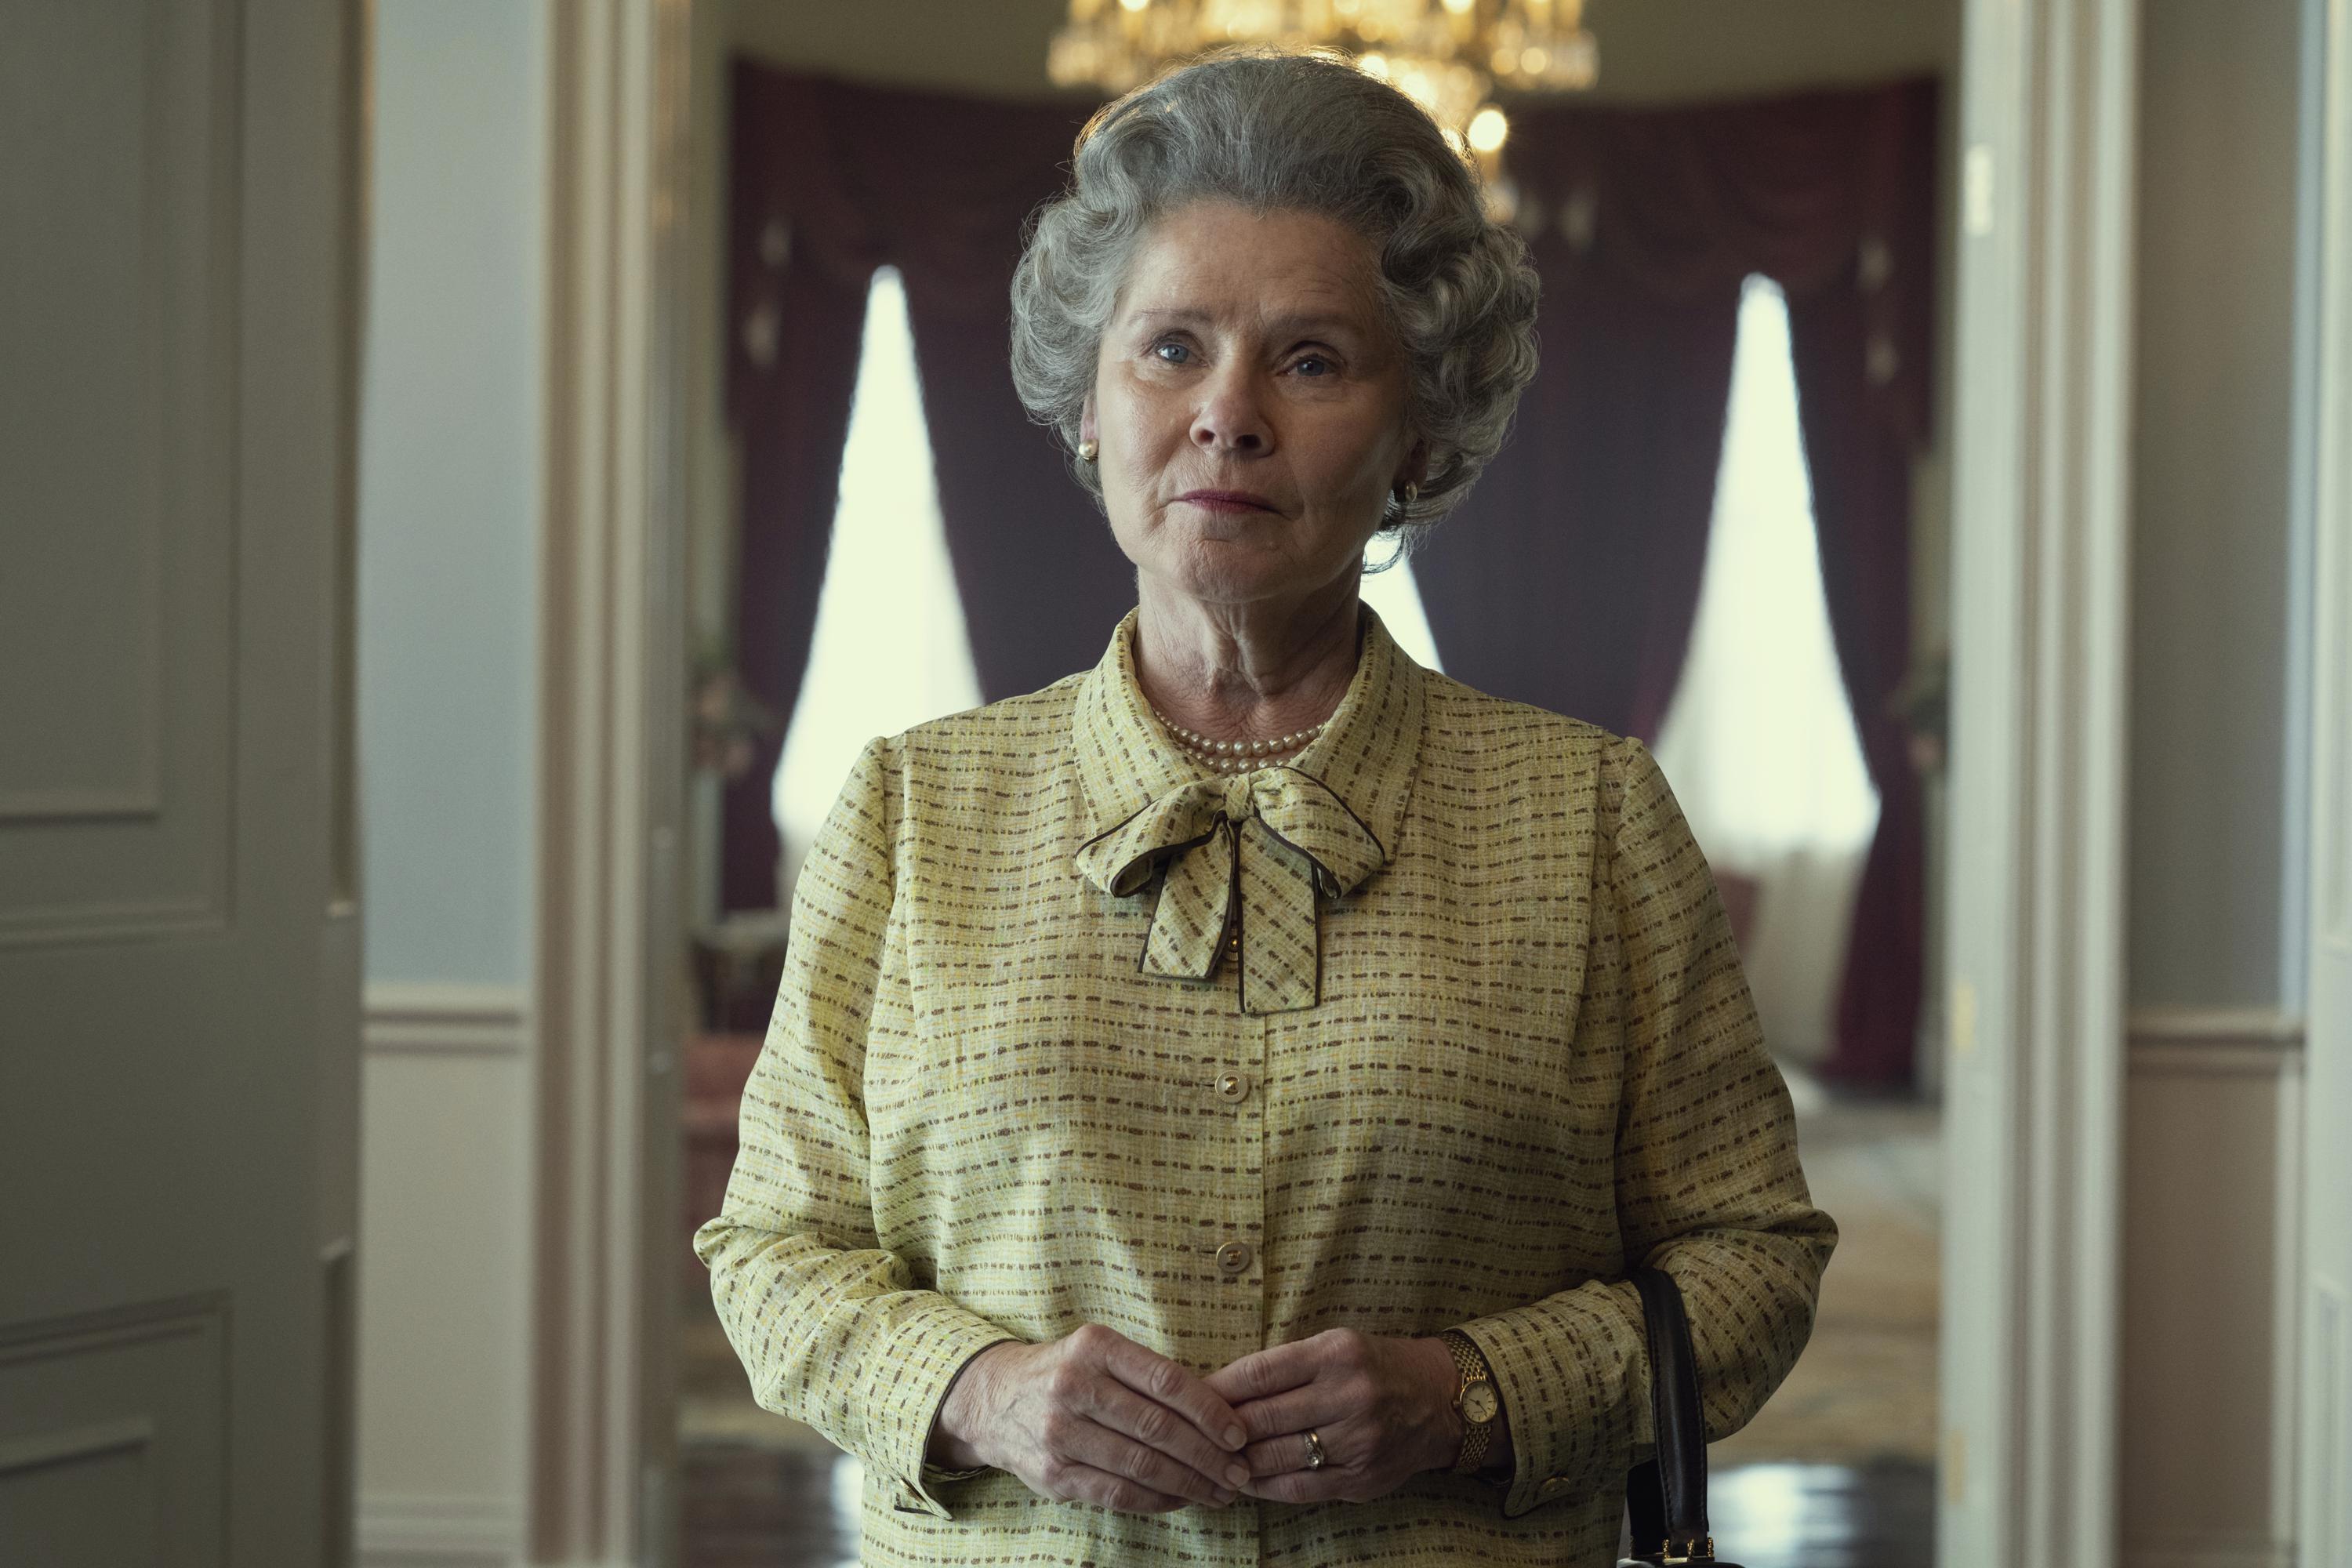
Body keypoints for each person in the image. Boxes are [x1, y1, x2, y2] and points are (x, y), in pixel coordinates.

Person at [694, 46, 1835, 1568]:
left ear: (1418, 432)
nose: (1226, 413)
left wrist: (1470, 1396)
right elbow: (772, 1249)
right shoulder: (912, 807)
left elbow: (1753, 1260)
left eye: (1310, 360)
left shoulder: (1592, 814)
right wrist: (979, 1390)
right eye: (1171, 347)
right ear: (1090, 407)